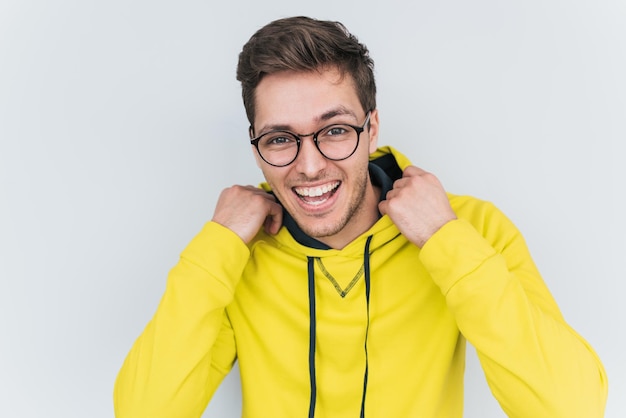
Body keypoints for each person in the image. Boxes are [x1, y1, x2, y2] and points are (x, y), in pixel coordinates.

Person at [113, 16, 608, 418]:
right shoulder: (235, 253)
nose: (309, 166)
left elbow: (572, 408)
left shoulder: (469, 229)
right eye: (280, 138)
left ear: (371, 128)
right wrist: (217, 244)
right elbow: (144, 411)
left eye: (334, 131)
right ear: (257, 146)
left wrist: (444, 239)